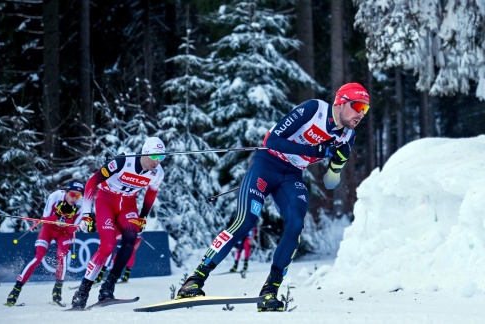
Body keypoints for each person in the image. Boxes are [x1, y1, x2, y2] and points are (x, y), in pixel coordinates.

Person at [176, 82, 369, 311]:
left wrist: (338, 164)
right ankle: (196, 279)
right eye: (357, 106)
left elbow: (330, 182)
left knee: (296, 224)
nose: (360, 114)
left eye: (365, 110)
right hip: (266, 164)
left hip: (291, 175)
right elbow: (273, 140)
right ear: (341, 102)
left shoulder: (348, 136)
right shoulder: (314, 109)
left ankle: (270, 291)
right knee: (246, 220)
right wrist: (316, 151)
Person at [71, 136, 166, 309]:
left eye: (162, 158)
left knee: (131, 239)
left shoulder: (157, 173)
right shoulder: (124, 161)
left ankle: (108, 288)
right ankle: (83, 291)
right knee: (107, 246)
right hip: (106, 200)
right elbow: (93, 182)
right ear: (145, 153)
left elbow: (151, 194)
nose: (157, 162)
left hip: (128, 204)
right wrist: (86, 214)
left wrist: (143, 217)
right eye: (155, 157)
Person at [5, 181, 85, 306]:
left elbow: (72, 229)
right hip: (48, 230)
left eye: (78, 195)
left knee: (62, 256)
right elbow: (45, 221)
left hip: (63, 233)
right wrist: (58, 214)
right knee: (38, 257)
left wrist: (68, 216)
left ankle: (57, 290)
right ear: (66, 192)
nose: (75, 198)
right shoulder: (55, 196)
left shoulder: (82, 204)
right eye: (73, 194)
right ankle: (16, 289)